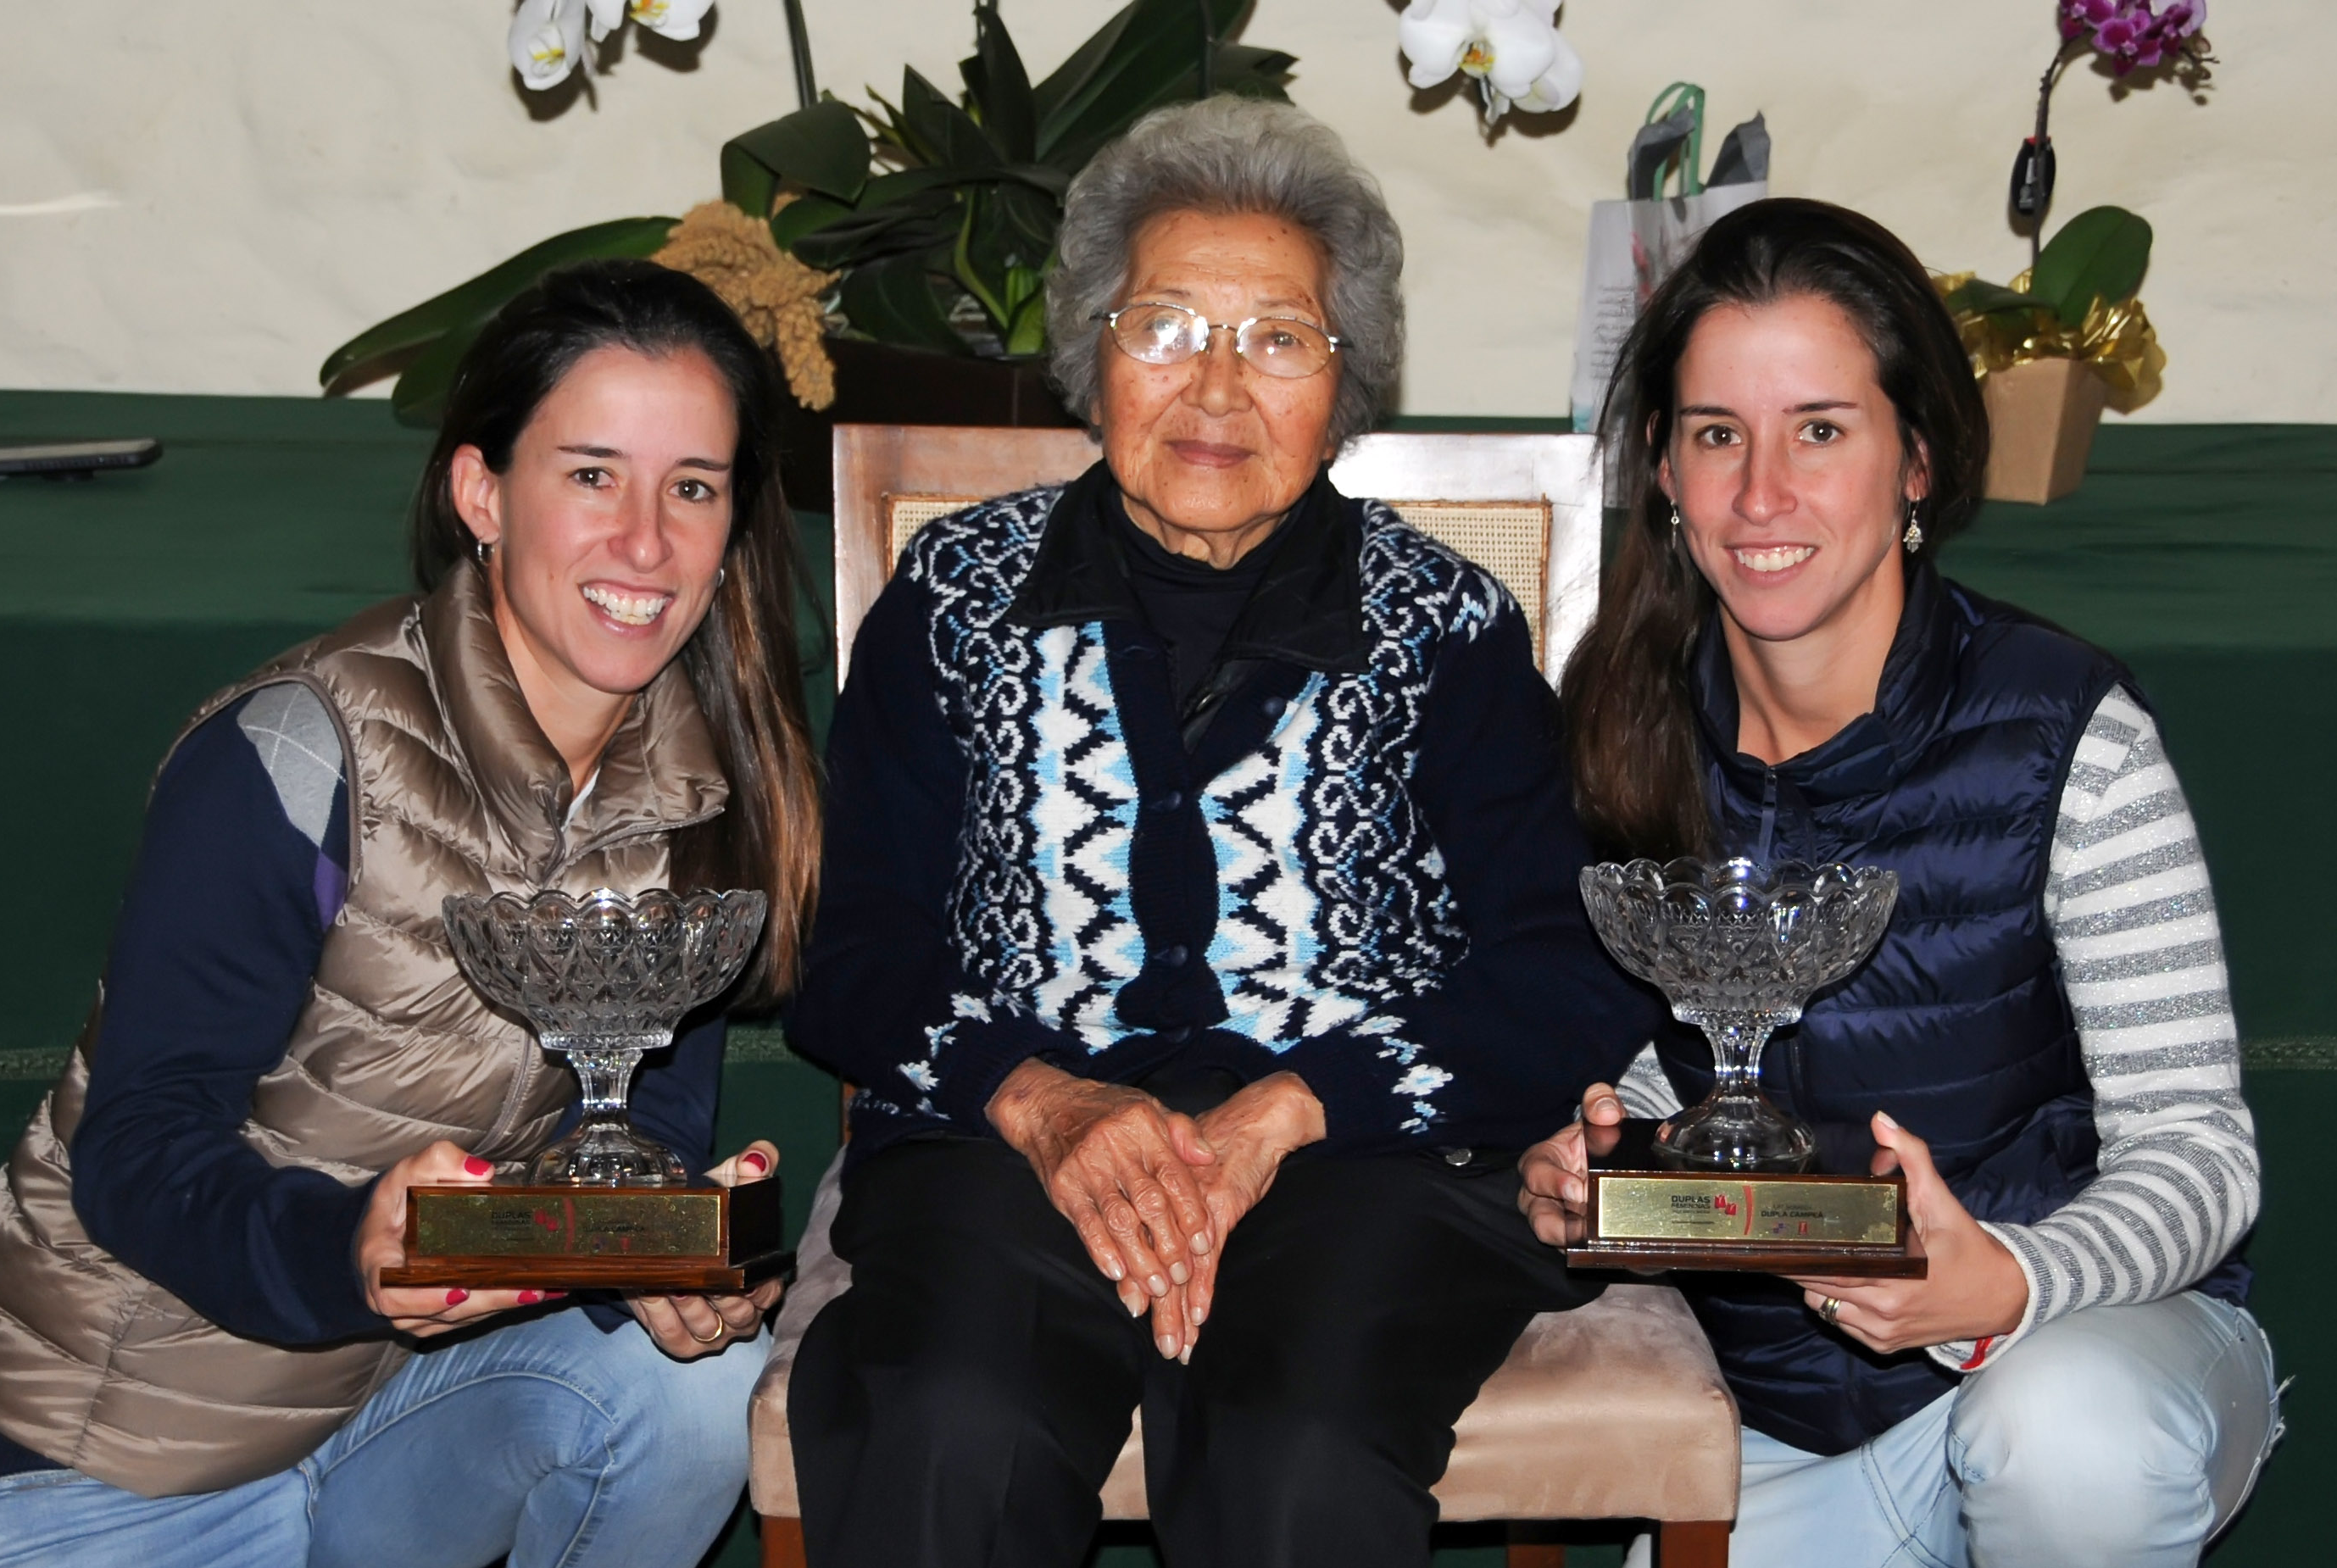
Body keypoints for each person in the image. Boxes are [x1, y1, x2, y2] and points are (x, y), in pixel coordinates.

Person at [783, 95, 1658, 1568]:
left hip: (1362, 1160)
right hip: (1011, 1147)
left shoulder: (1443, 628)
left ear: (1344, 380)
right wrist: (1044, 1100)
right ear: (1092, 358)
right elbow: (850, 948)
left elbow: (1567, 974)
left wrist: (1289, 1107)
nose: (1215, 386)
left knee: (1296, 1451)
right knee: (946, 1423)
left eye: (1276, 339)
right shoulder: (951, 594)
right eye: (1165, 326)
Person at [0, 260, 821, 1568]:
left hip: (386, 1425)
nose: (647, 541)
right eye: (590, 474)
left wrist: (667, 1270)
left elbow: (639, 1128)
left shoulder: (699, 788)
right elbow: (138, 1152)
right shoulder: (300, 748)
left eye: (692, 486)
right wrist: (351, 1247)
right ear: (480, 494)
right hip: (117, 1462)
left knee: (682, 1395)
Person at [1521, 198, 2281, 1568]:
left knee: (2066, 1438)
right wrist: (1596, 1164)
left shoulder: (2065, 733)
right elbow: (1657, 1057)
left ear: (1916, 457)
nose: (1762, 494)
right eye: (1715, 436)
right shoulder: (1615, 720)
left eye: (1820, 429)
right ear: (1664, 469)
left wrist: (2009, 1278)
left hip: (2074, 1342)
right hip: (1777, 1416)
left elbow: (2200, 1154)